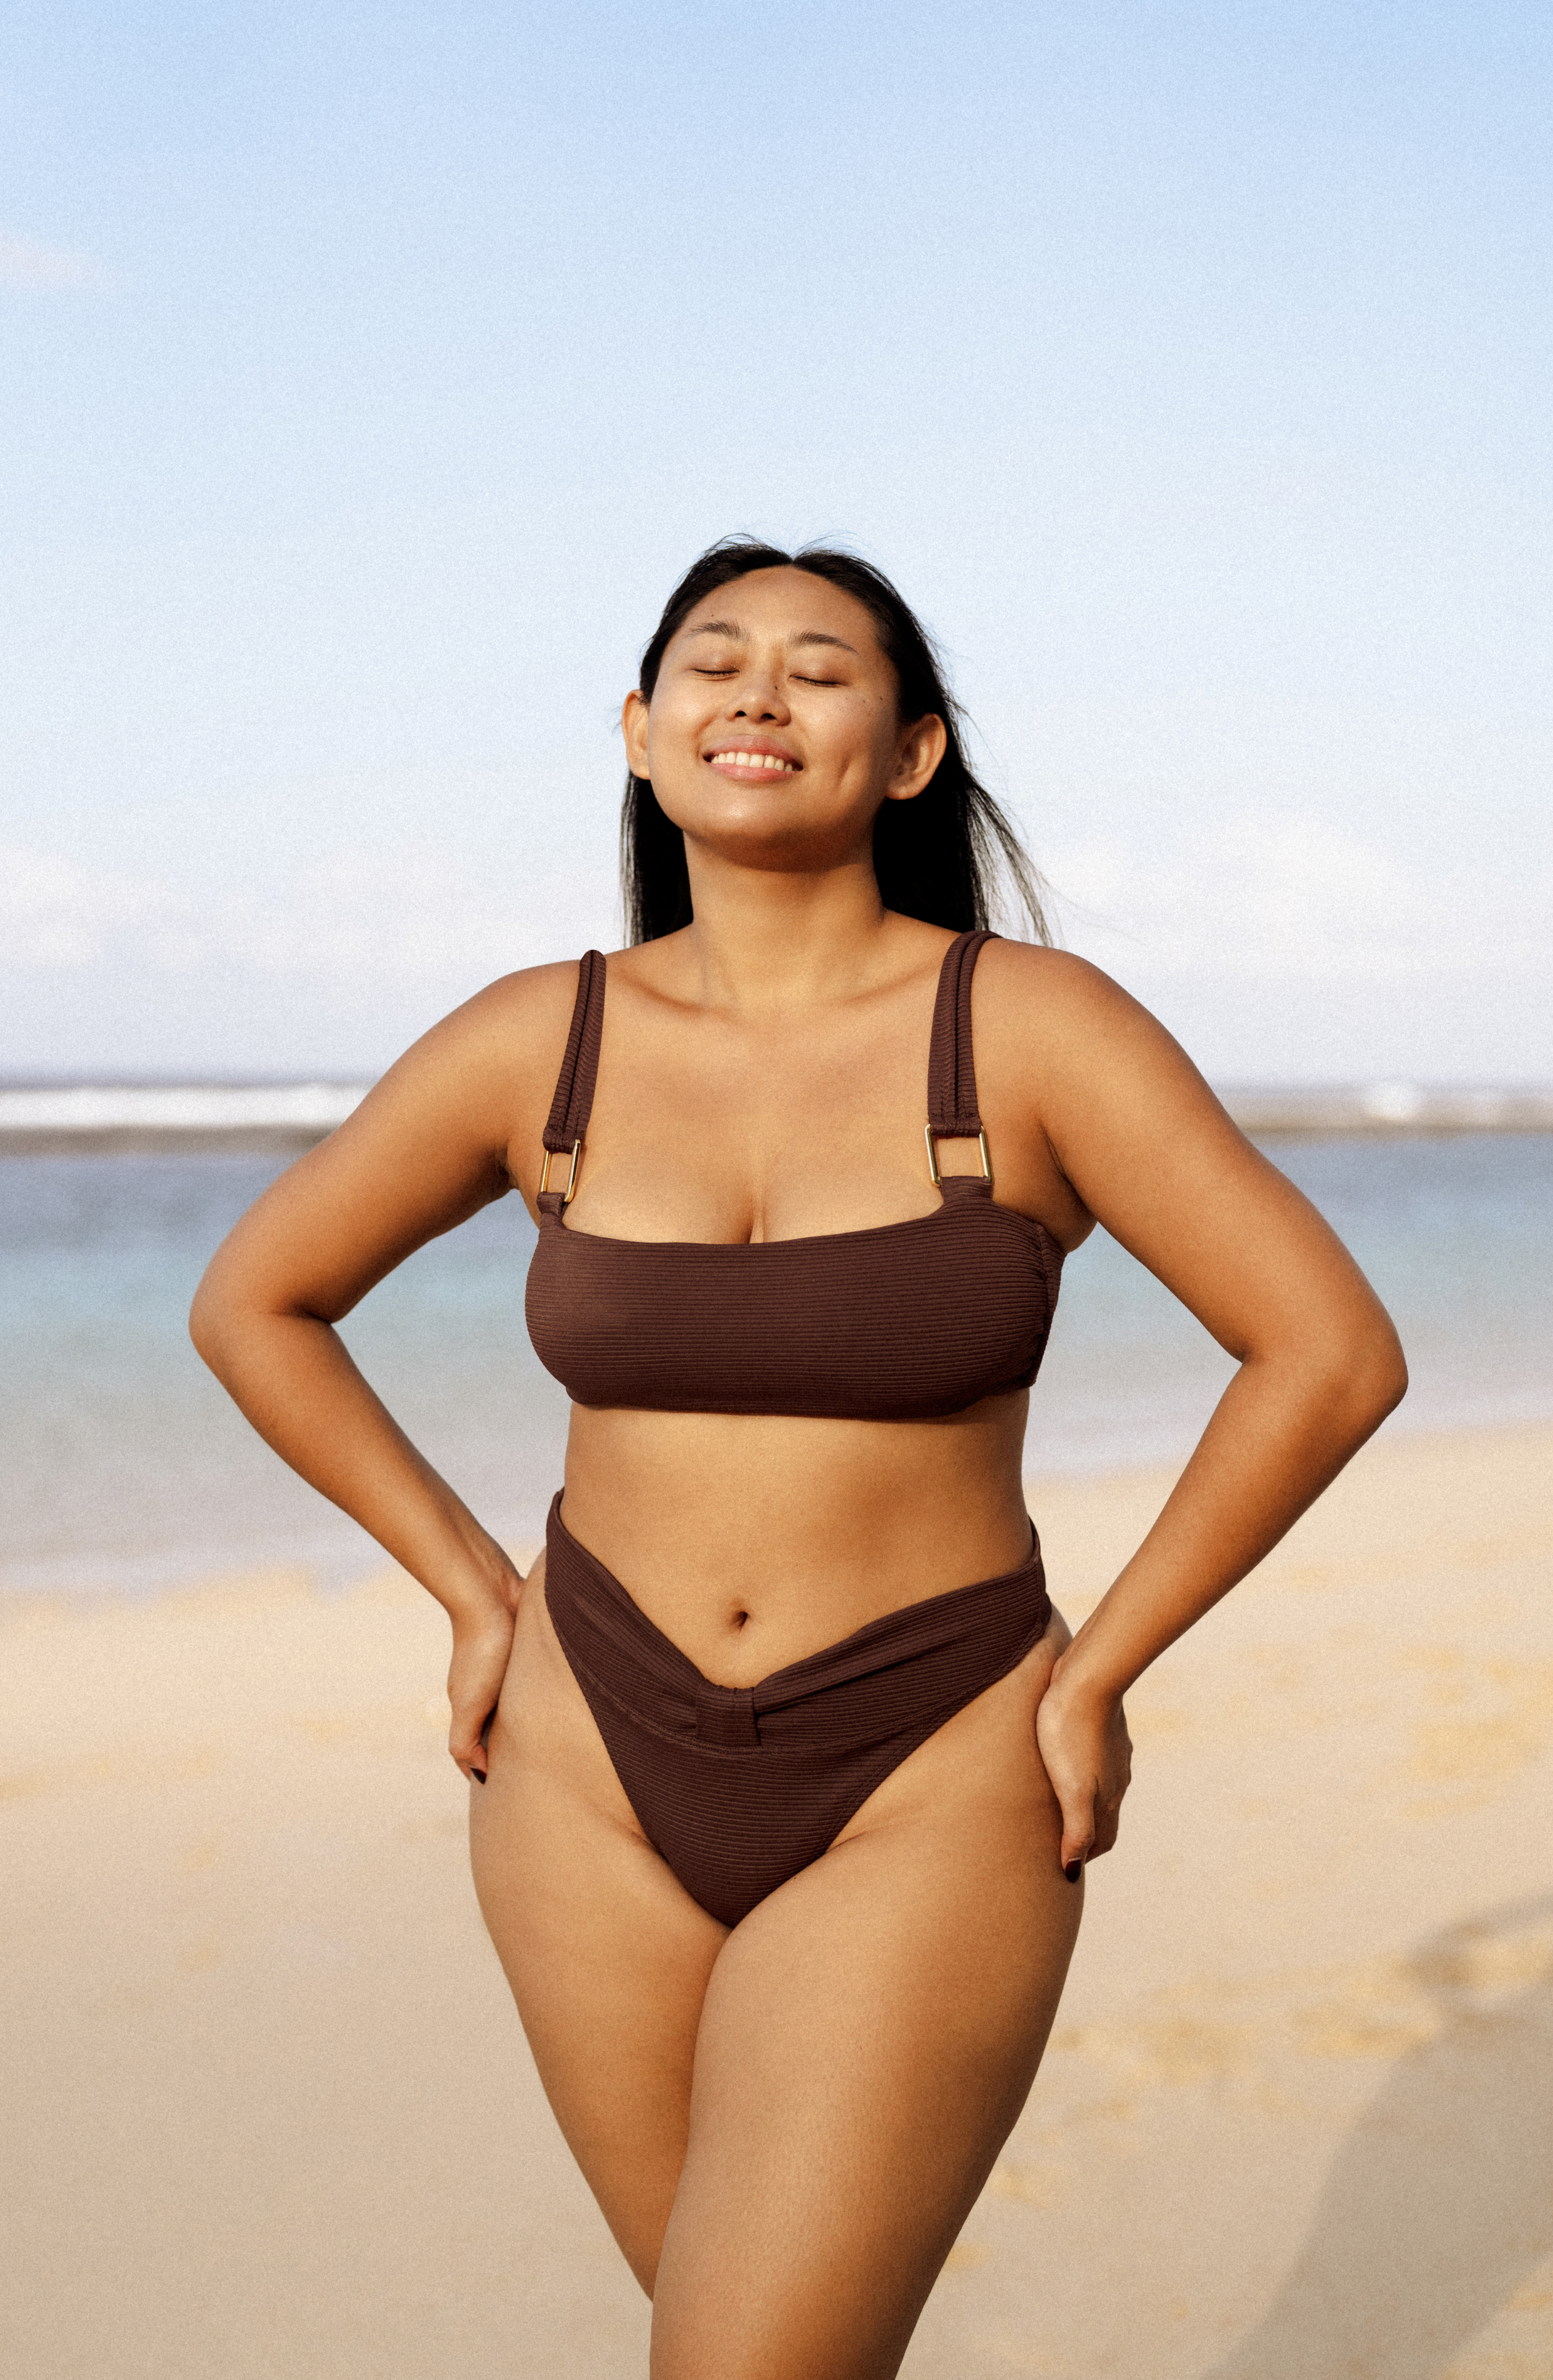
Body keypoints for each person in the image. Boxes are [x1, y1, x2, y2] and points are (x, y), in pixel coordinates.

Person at [191, 538, 1407, 2379]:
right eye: (714, 659)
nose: (758, 693)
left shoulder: (1029, 1031)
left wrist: (1105, 1667)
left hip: (926, 1760)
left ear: (912, 752)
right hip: (587, 1761)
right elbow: (255, 1301)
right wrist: (468, 1591)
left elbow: (1326, 1351)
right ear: (639, 729)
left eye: (822, 669)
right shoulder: (547, 1039)